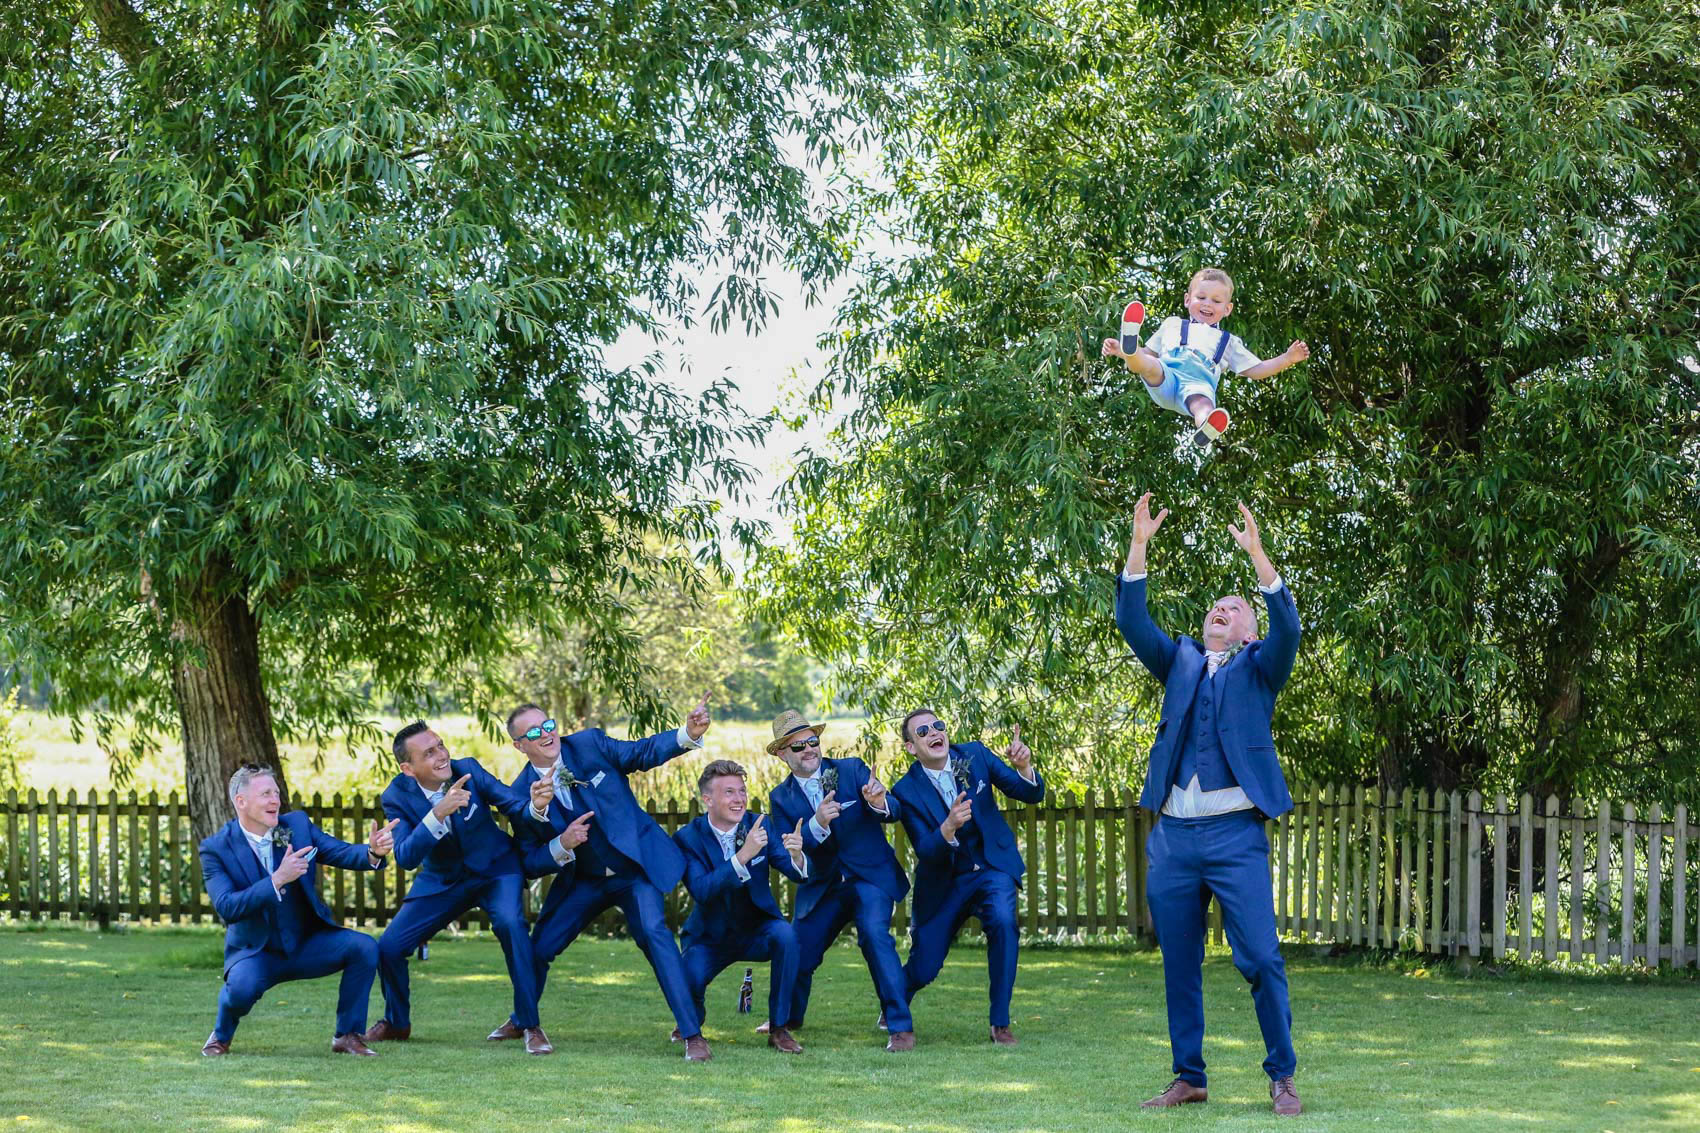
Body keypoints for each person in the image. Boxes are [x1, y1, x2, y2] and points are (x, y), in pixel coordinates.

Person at [1116, 492, 1303, 1116]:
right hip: (1172, 837)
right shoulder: (1180, 662)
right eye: (1214, 609)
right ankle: (1188, 1077)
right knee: (1179, 963)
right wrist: (1139, 544)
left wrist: (1259, 560)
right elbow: (1132, 623)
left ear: (1248, 630)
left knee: (1259, 956)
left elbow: (1290, 629)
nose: (1220, 612)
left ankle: (1282, 1076)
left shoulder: (1261, 666)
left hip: (1233, 835)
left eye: (1232, 609)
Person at [504, 698, 716, 1061]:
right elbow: (529, 860)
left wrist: (687, 734)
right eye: (535, 732)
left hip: (634, 870)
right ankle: (524, 1020)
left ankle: (692, 1034)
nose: (547, 734)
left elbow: (641, 752)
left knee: (655, 934)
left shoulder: (588, 744)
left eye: (549, 724)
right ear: (519, 745)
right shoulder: (519, 794)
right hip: (582, 879)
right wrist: (560, 844)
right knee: (538, 948)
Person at [363, 722, 557, 1054]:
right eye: (429, 753)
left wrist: (535, 805)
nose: (442, 756)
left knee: (512, 925)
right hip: (443, 881)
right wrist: (438, 813)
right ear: (408, 768)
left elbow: (511, 803)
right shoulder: (396, 796)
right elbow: (408, 856)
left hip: (497, 870)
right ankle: (397, 1022)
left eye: (440, 746)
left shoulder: (467, 769)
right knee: (390, 947)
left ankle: (529, 1024)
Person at [197, 764, 395, 1056]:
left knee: (363, 947)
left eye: (276, 792)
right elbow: (228, 907)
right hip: (256, 952)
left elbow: (339, 851)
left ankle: (347, 1036)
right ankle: (220, 1036)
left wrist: (371, 852)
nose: (275, 800)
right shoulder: (215, 849)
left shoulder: (297, 827)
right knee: (239, 991)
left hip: (306, 943)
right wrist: (277, 879)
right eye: (266, 794)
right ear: (241, 801)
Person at [764, 709, 916, 1051]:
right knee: (797, 948)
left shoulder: (850, 769)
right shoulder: (781, 798)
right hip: (823, 886)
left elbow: (894, 809)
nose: (808, 749)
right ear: (782, 754)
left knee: (875, 937)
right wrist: (817, 824)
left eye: (812, 741)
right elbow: (795, 848)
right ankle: (788, 1020)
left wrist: (880, 803)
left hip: (870, 876)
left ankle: (900, 1027)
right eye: (798, 745)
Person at [890, 711, 1044, 1044]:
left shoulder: (974, 753)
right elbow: (927, 851)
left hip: (992, 868)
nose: (934, 732)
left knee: (1004, 922)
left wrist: (1024, 767)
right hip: (944, 882)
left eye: (938, 726)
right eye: (923, 731)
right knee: (924, 967)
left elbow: (1030, 794)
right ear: (912, 747)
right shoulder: (905, 790)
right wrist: (947, 826)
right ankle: (895, 1001)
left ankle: (1000, 1024)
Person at [673, 760, 810, 1053]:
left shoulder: (760, 824)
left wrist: (797, 856)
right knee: (690, 977)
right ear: (707, 799)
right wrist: (743, 856)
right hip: (710, 935)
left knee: (786, 935)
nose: (739, 799)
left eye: (742, 791)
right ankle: (691, 1023)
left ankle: (780, 1028)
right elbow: (702, 889)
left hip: (756, 929)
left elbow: (791, 869)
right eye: (729, 792)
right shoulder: (687, 838)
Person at [1101, 268, 1309, 447]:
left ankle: (1206, 426)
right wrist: (1119, 350)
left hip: (1197, 383)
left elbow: (1256, 369)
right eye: (1201, 298)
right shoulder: (1172, 324)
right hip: (1168, 374)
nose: (1207, 304)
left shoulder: (1228, 341)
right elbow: (1149, 353)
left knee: (1202, 404)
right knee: (1149, 365)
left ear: (1227, 309)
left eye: (1216, 301)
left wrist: (1287, 358)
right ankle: (1129, 349)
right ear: (1187, 299)